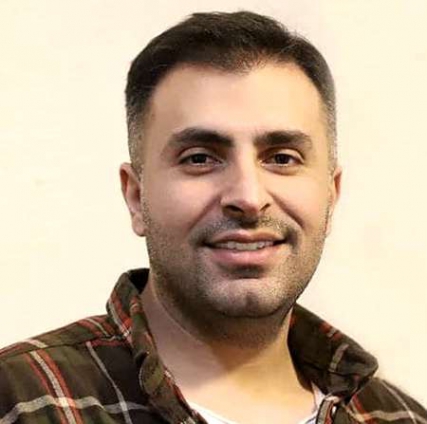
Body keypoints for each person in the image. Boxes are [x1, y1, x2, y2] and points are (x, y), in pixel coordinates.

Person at [0, 10, 425, 424]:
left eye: (282, 158)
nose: (248, 197)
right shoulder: (20, 400)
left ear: (330, 195)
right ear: (136, 196)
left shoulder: (399, 416)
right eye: (200, 158)